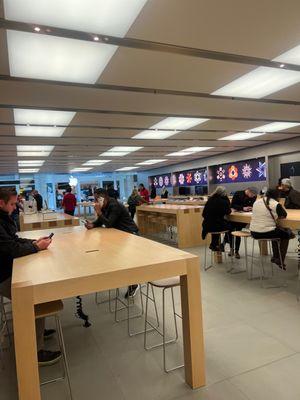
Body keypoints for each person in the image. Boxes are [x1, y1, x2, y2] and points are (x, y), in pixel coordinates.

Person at [0, 188, 61, 365]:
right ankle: (36, 350)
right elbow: (11, 249)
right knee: (34, 296)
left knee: (37, 289)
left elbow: (14, 240)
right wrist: (36, 248)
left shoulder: (4, 218)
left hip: (8, 269)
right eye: (12, 204)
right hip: (3, 276)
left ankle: (38, 332)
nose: (15, 207)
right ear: (1, 203)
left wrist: (34, 242)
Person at [85, 188, 139, 298]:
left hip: (130, 234)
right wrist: (93, 224)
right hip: (119, 234)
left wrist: (99, 212)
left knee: (126, 260)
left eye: (97, 199)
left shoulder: (114, 205)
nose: (95, 202)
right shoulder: (105, 205)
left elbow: (109, 223)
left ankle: (134, 283)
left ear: (103, 198)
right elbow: (101, 220)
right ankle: (118, 277)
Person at [250, 188, 293, 268]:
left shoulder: (256, 202)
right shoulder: (275, 203)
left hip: (253, 232)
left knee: (276, 232)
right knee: (285, 235)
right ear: (277, 196)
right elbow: (284, 214)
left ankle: (275, 257)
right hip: (266, 232)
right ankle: (280, 260)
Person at [229, 187, 258, 258]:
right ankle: (231, 249)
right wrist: (243, 208)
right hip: (235, 216)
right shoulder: (238, 193)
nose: (253, 197)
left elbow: (252, 205)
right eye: (252, 195)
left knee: (238, 231)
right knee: (231, 232)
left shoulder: (254, 196)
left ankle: (236, 251)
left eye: (254, 196)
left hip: (244, 217)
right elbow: (232, 205)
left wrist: (251, 208)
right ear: (248, 191)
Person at [202, 186, 231, 251]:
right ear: (224, 194)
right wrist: (226, 198)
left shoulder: (210, 200)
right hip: (216, 226)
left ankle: (214, 244)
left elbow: (203, 214)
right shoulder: (223, 201)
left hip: (206, 225)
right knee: (231, 227)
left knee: (217, 223)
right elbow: (228, 212)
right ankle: (223, 244)